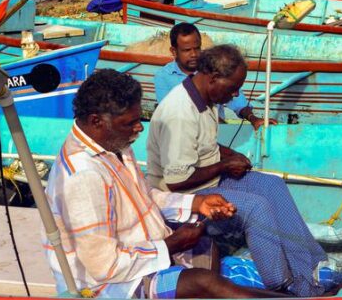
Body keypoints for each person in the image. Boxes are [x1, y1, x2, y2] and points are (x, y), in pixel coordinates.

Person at [146, 45, 342, 296]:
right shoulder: (180, 113)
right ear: (212, 79)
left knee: (272, 185)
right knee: (256, 208)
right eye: (232, 88)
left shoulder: (205, 98)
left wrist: (229, 155)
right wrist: (225, 165)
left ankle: (314, 269)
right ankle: (287, 286)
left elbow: (200, 145)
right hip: (184, 199)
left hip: (208, 182)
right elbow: (178, 180)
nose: (236, 94)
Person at [43, 69, 283, 299]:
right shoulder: (83, 177)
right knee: (204, 282)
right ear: (97, 121)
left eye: (139, 120)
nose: (139, 128)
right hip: (111, 286)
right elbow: (105, 267)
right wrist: (170, 245)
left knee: (210, 249)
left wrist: (197, 203)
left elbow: (144, 196)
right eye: (130, 123)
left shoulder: (115, 143)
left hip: (145, 254)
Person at [153, 23, 275, 130]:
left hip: (218, 130)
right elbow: (170, 115)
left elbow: (238, 101)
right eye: (187, 50)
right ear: (174, 51)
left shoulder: (211, 67)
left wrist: (253, 118)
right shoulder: (163, 76)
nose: (194, 54)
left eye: (197, 48)